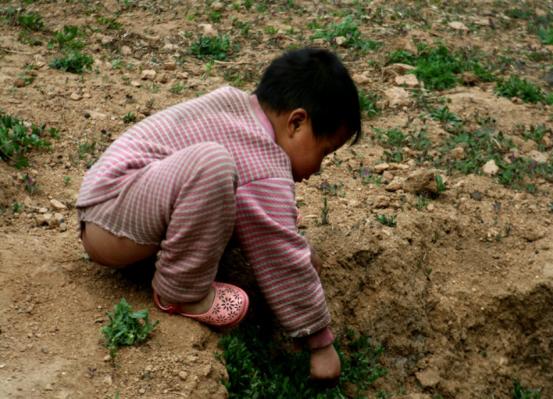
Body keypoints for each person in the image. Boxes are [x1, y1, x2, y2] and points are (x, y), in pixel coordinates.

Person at [76, 47, 362, 381]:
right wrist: (320, 344)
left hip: (108, 205)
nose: (319, 169)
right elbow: (280, 256)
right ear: (297, 122)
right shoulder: (265, 158)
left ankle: (169, 271)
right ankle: (182, 292)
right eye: (324, 152)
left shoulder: (234, 108)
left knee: (215, 169)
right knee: (213, 164)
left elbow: (267, 225)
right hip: (116, 223)